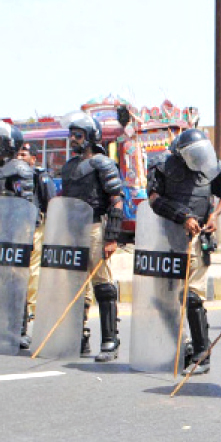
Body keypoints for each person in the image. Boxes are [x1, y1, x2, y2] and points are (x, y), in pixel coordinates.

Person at [148, 128, 221, 375]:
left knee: (192, 296)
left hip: (198, 238)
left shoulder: (210, 165)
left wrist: (215, 216)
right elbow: (153, 199)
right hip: (168, 237)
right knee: (165, 297)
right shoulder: (163, 166)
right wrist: (181, 215)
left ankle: (201, 354)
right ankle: (179, 348)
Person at [60, 113, 124, 362]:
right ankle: (80, 336)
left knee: (102, 284)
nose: (73, 139)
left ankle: (110, 339)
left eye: (78, 135)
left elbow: (116, 201)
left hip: (96, 227)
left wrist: (111, 238)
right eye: (72, 134)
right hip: (73, 230)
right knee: (76, 285)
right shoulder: (68, 167)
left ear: (90, 137)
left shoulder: (102, 163)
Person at [17, 142, 56, 349]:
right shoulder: (10, 174)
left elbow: (51, 203)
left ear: (34, 159)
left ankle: (30, 310)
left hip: (35, 228)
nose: (20, 157)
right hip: (14, 229)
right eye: (18, 153)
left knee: (32, 272)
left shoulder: (40, 176)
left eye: (24, 154)